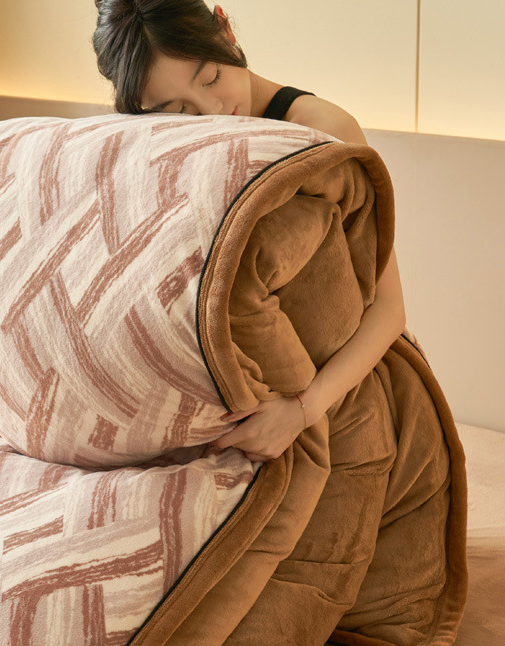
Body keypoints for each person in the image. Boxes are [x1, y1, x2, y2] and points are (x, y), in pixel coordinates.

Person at [92, 0, 407, 463]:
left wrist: (301, 411)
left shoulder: (321, 130)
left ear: (225, 29)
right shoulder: (158, 139)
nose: (213, 112)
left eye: (211, 78)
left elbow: (391, 310)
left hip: (334, 389)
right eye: (178, 109)